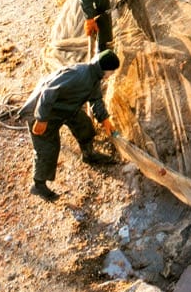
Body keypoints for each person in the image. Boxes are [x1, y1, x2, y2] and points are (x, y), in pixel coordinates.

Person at [22, 49, 120, 202]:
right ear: (105, 69)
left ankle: (89, 155)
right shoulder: (78, 74)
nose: (112, 75)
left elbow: (96, 100)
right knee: (47, 148)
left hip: (66, 108)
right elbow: (48, 91)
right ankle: (38, 184)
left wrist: (105, 119)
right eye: (112, 72)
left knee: (85, 127)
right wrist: (41, 118)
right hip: (43, 111)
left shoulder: (94, 78)